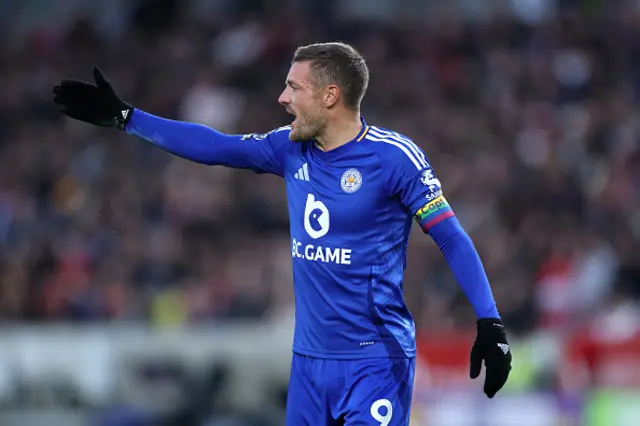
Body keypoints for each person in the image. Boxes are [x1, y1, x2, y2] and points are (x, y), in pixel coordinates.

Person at [53, 42, 512, 426]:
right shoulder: (289, 148)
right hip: (309, 365)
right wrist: (127, 118)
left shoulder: (395, 159)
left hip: (374, 363)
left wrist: (489, 322)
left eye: (294, 87)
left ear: (330, 95)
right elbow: (217, 146)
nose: (282, 98)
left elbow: (451, 237)